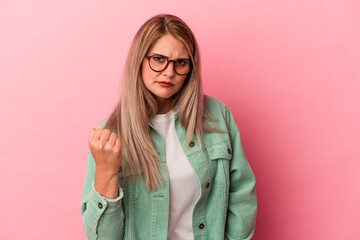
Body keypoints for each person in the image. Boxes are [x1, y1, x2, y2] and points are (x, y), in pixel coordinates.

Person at [80, 13, 257, 240]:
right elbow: (102, 237)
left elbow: (242, 195)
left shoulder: (216, 115)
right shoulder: (110, 136)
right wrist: (106, 171)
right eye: (158, 59)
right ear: (140, 60)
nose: (169, 72)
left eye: (181, 62)